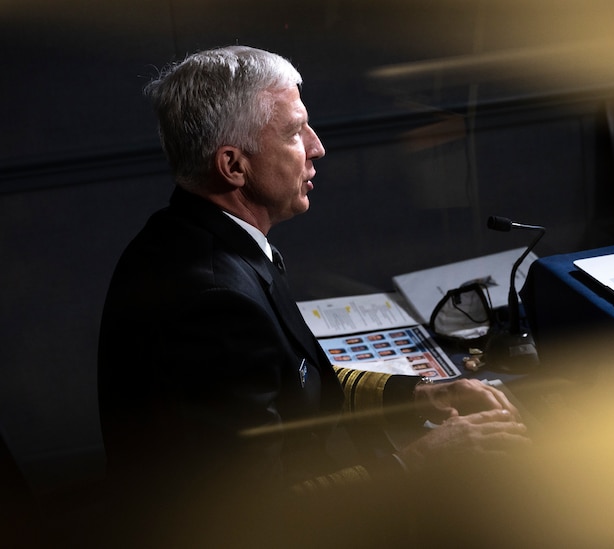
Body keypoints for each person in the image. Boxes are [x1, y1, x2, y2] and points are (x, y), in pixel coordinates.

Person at [97, 45, 530, 544]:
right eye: (293, 132)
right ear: (233, 166)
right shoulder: (214, 301)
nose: (316, 146)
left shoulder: (194, 236)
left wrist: (425, 394)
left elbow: (294, 379)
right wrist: (423, 461)